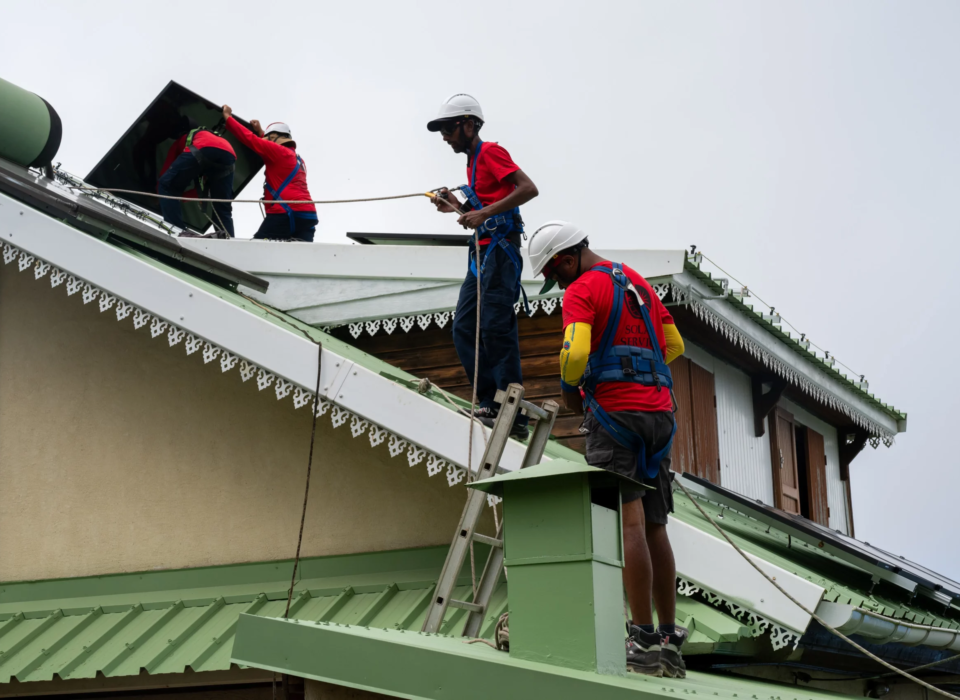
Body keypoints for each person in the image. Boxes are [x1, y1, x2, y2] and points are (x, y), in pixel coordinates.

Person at [528, 221, 688, 678]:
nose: (557, 284)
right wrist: (636, 368)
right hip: (660, 416)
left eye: (554, 274)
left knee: (630, 526)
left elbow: (575, 353)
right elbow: (672, 345)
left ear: (565, 259)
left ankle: (640, 640)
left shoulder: (580, 290)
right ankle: (668, 640)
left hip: (616, 417)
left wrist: (571, 386)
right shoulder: (637, 282)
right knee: (656, 526)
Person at [427, 93, 539, 438]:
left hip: (501, 254)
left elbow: (528, 189)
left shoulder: (490, 151)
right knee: (463, 328)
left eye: (448, 128)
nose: (444, 136)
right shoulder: (471, 162)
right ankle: (490, 402)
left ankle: (512, 411)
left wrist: (483, 213)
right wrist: (458, 207)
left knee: (494, 328)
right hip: (482, 254)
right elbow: (482, 212)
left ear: (469, 124)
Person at [222, 106, 317, 242]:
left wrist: (228, 118)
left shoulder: (279, 152)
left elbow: (251, 140)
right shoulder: (298, 160)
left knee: (256, 249)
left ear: (274, 137)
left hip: (285, 212)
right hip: (308, 215)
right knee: (298, 257)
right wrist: (261, 131)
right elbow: (269, 146)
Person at [158, 117, 236, 238]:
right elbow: (200, 192)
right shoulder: (208, 135)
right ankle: (228, 241)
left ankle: (177, 232)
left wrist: (164, 197)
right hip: (229, 154)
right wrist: (179, 198)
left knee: (166, 185)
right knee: (221, 206)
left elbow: (165, 178)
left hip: (203, 148)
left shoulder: (181, 140)